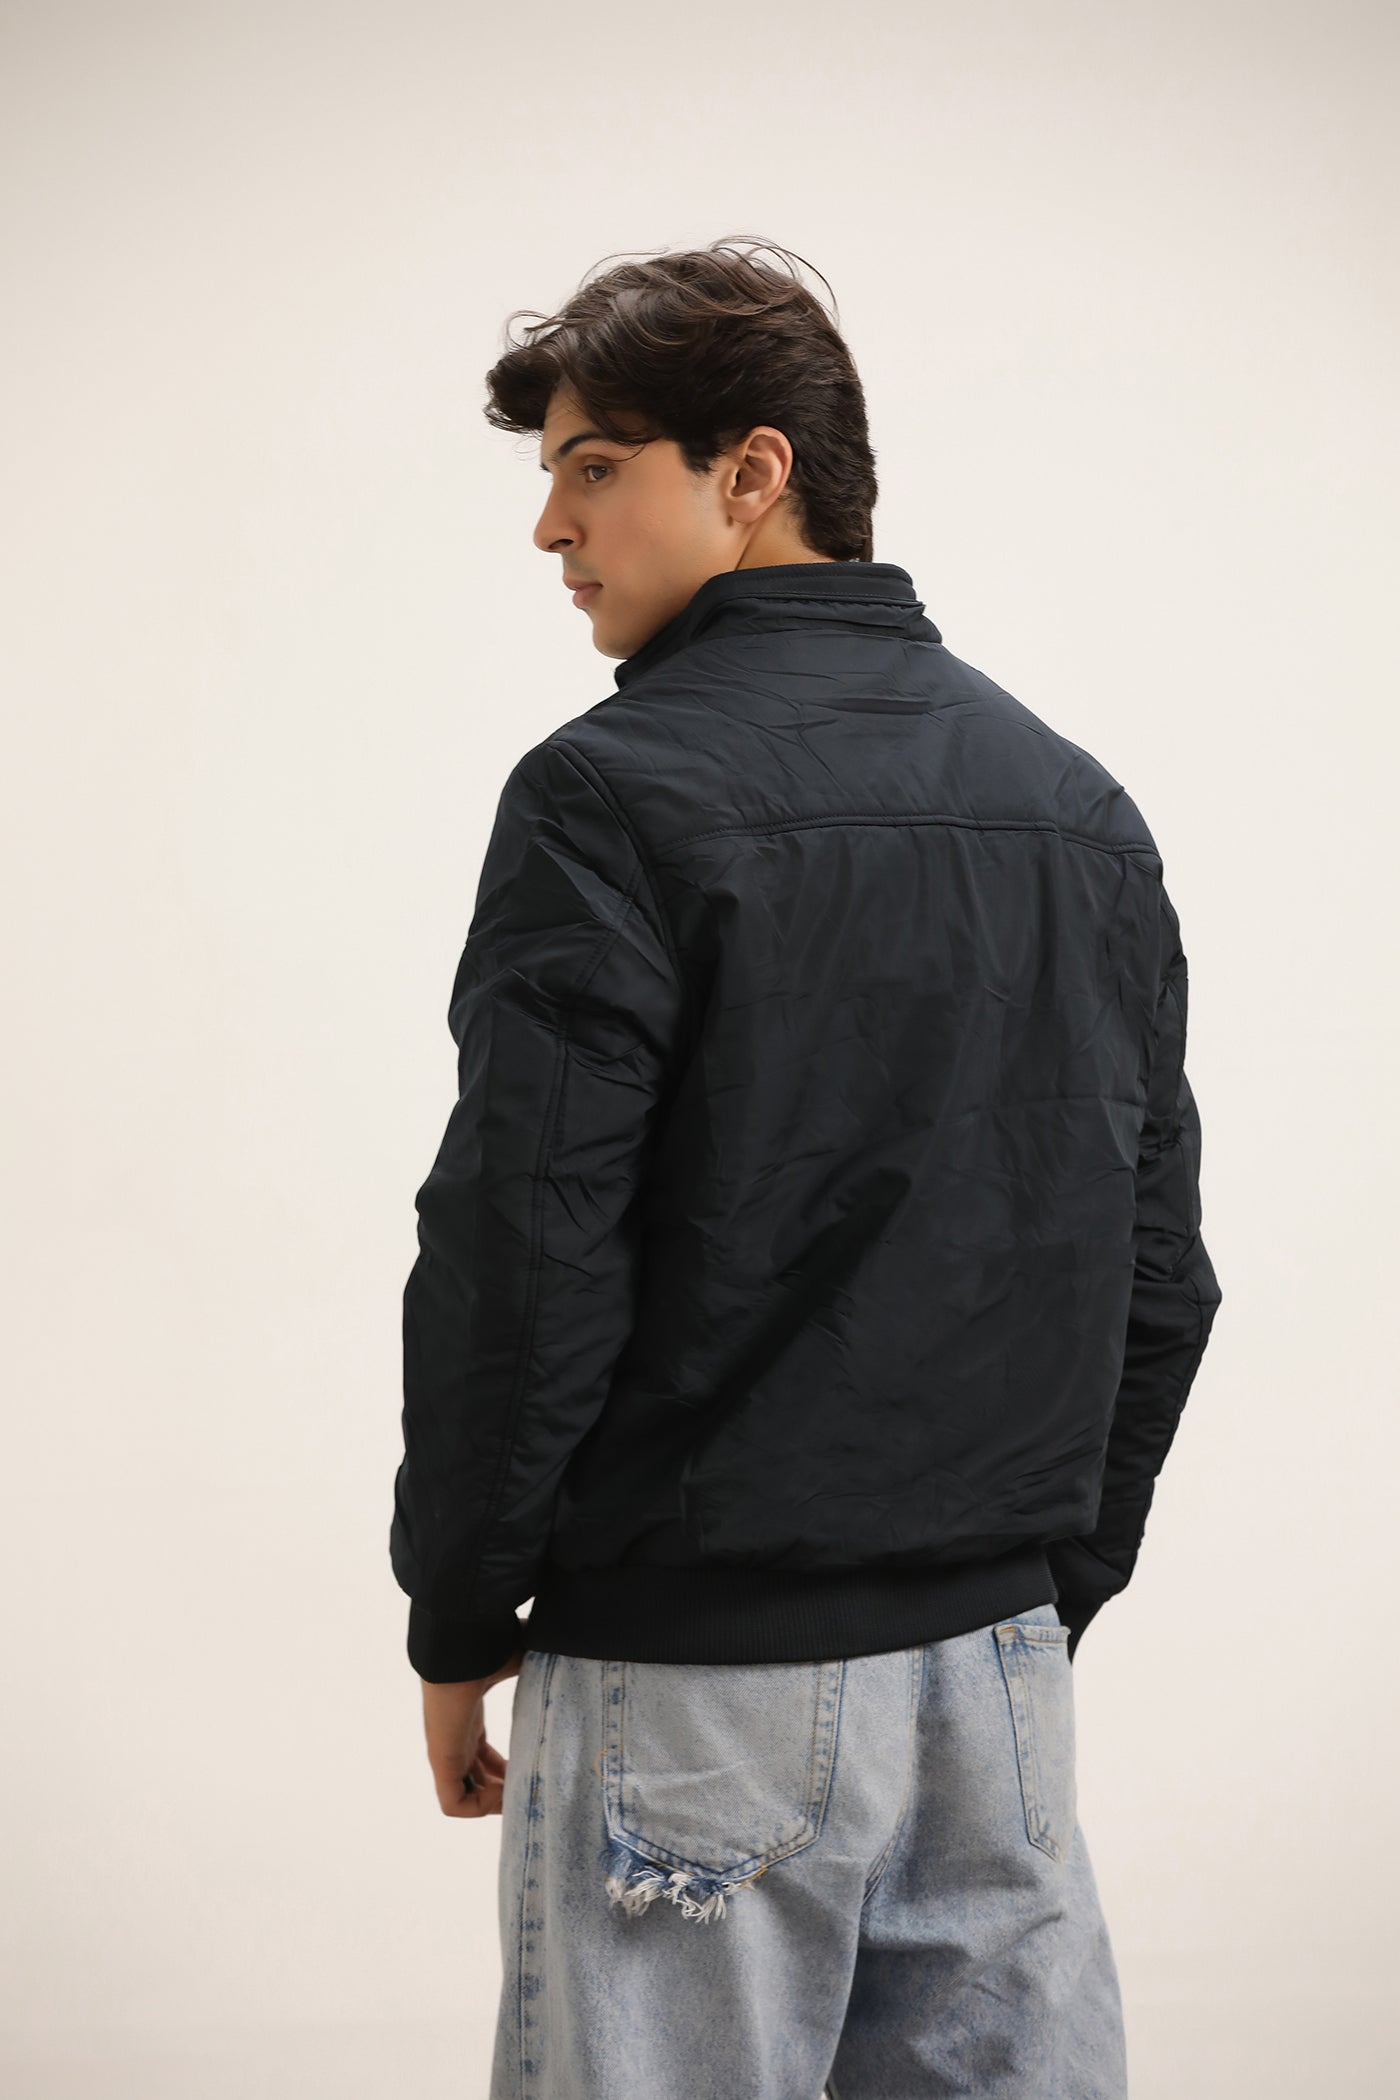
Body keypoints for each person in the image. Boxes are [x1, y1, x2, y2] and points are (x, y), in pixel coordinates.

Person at [388, 236, 1222, 2099]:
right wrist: (1038, 1597)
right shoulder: (1076, 807)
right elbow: (1160, 1266)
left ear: (752, 473)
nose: (550, 525)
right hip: (996, 1692)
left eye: (595, 465)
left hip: (698, 1690)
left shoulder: (609, 793)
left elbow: (525, 1256)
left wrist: (456, 1612)